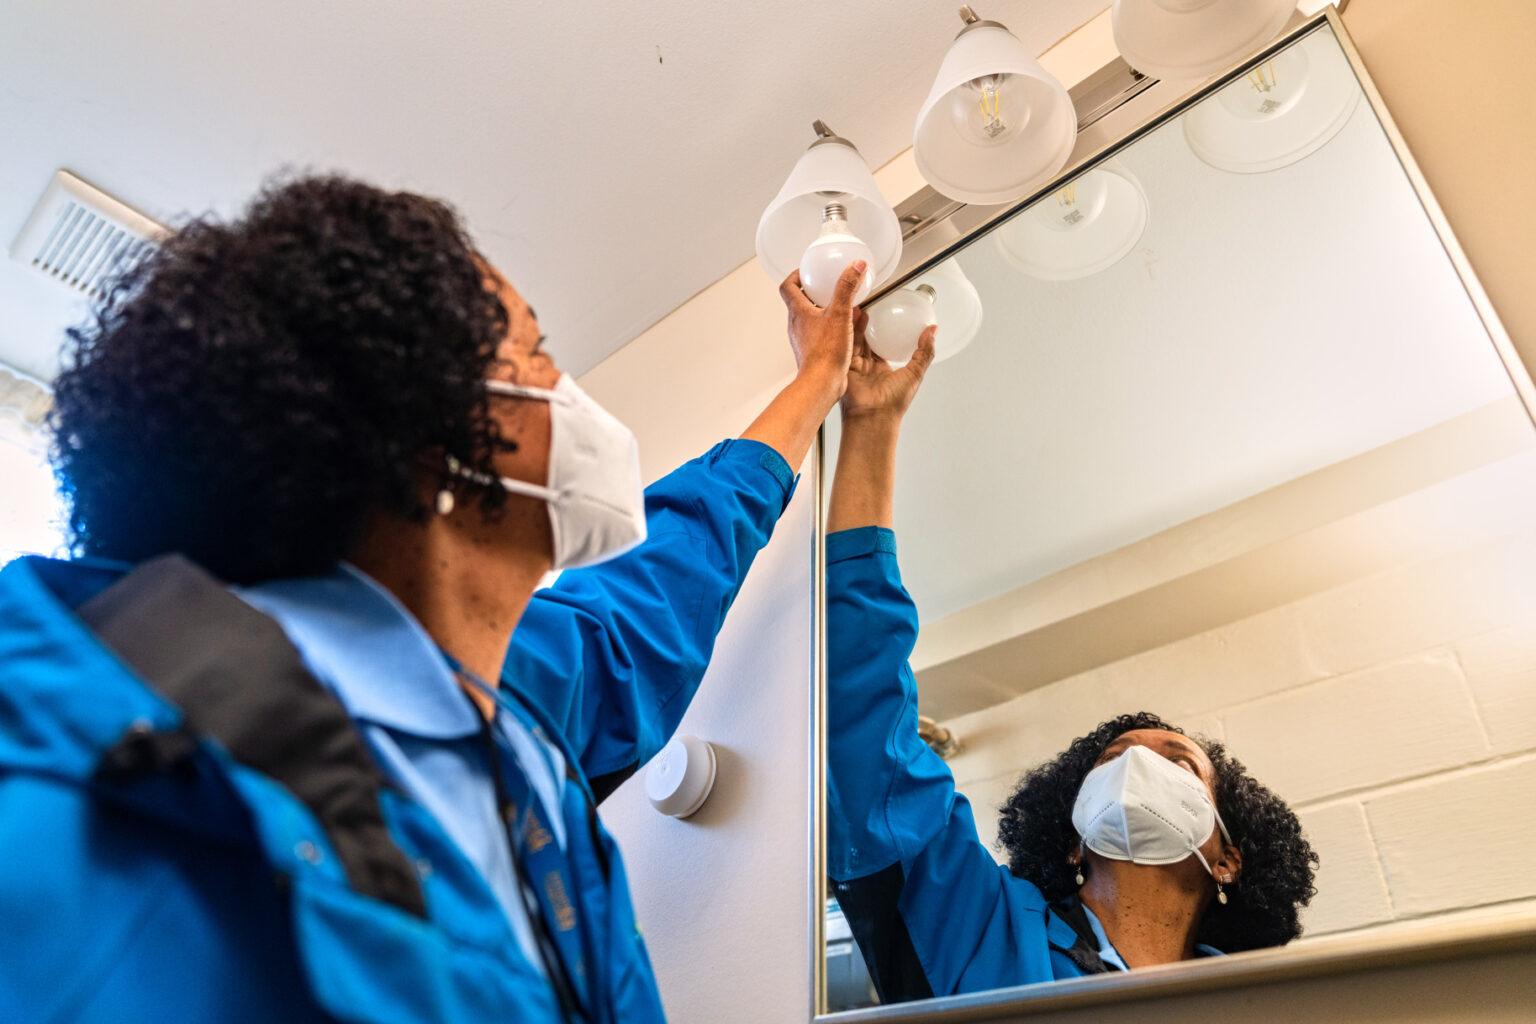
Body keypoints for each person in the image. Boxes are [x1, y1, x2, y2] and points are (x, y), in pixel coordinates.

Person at [0, 174, 866, 1023]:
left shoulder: (497, 714)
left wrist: (815, 386)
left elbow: (644, 608)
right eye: (536, 356)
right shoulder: (73, 812)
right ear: (428, 435)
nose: (569, 398)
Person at [824, 324, 1319, 1002]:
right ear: (1072, 843)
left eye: (1178, 761)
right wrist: (871, 426)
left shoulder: (1267, 1002)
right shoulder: (985, 929)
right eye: (1111, 761)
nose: (1137, 767)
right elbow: (861, 703)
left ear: (1228, 857)